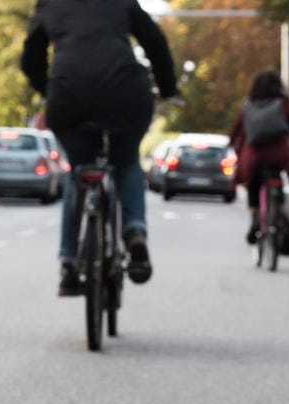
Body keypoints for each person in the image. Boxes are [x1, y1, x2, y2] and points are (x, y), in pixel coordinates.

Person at [21, 0, 180, 297]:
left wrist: (48, 89)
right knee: (126, 162)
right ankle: (134, 231)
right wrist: (168, 87)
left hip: (68, 98)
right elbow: (155, 41)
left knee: (78, 172)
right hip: (124, 95)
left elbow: (31, 56)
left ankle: (68, 264)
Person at [228, 71, 289, 246]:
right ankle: (280, 211)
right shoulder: (285, 102)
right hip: (279, 152)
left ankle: (255, 216)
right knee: (279, 179)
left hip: (254, 154)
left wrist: (232, 144)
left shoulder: (249, 103)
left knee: (253, 184)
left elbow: (237, 129)